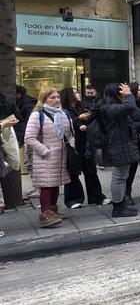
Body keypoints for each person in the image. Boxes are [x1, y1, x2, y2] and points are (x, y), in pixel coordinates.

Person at [24, 88, 76, 227]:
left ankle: (53, 210)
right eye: (52, 97)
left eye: (57, 97)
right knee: (46, 185)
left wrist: (71, 146)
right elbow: (29, 138)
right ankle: (45, 214)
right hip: (45, 157)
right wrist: (45, 151)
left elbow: (70, 134)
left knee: (55, 184)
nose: (56, 100)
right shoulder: (37, 115)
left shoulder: (64, 113)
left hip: (61, 156)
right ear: (44, 99)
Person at [60, 87, 108, 208]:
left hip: (86, 144)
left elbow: (91, 120)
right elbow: (64, 127)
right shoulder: (63, 111)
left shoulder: (82, 107)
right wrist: (79, 120)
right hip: (72, 146)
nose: (78, 94)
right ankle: (73, 200)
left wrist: (88, 120)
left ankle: (97, 197)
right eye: (75, 92)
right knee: (73, 173)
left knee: (91, 171)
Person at [98, 83, 139, 217]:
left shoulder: (111, 106)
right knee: (118, 177)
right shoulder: (110, 107)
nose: (126, 94)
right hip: (117, 145)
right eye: (123, 91)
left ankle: (121, 204)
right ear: (117, 93)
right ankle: (118, 207)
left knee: (122, 177)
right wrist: (129, 94)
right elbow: (130, 107)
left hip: (120, 144)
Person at [16, 85, 36, 178]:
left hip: (27, 139)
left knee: (29, 163)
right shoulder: (26, 103)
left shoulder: (27, 105)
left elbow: (28, 124)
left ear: (18, 95)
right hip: (26, 138)